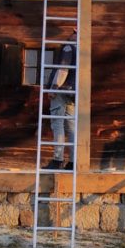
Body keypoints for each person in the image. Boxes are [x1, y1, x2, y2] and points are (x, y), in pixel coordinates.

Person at [46, 30, 76, 171]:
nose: (70, 34)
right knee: (71, 127)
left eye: (74, 32)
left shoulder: (68, 48)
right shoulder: (81, 50)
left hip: (61, 90)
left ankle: (58, 160)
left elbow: (64, 69)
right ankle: (73, 162)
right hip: (72, 92)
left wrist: (54, 87)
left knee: (57, 124)